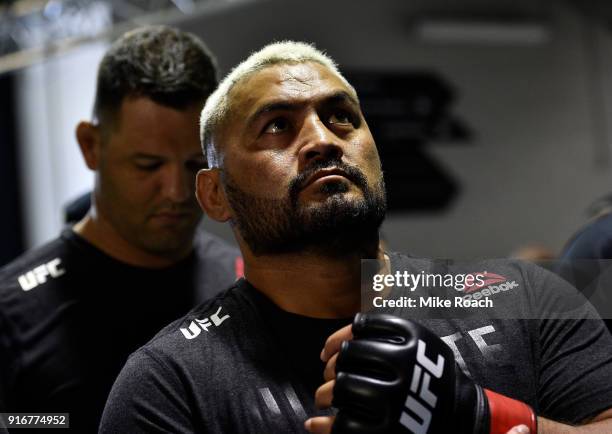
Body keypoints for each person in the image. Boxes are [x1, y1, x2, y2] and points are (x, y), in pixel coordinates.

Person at [100, 41, 612, 434]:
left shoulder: (521, 298)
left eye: (341, 116)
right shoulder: (171, 383)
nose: (322, 139)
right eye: (277, 126)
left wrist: (480, 418)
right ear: (215, 195)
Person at [0, 26, 241, 432]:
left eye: (195, 164)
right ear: (91, 146)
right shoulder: (13, 313)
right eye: (147, 165)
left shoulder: (242, 281)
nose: (179, 192)